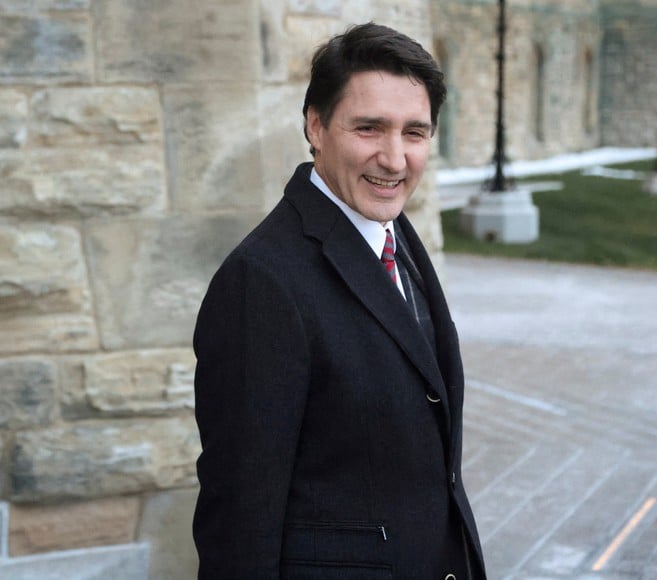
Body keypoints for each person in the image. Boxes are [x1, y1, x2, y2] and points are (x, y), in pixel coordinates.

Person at [192, 22, 486, 579]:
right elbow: (239, 517)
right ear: (317, 125)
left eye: (415, 132)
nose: (395, 159)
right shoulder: (260, 283)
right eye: (370, 128)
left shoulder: (395, 236)